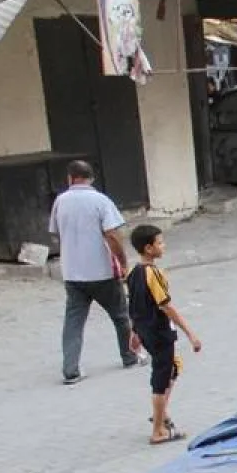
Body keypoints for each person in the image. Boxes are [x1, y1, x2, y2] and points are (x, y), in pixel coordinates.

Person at [49, 160, 143, 385]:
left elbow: (55, 233)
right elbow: (112, 235)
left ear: (71, 178)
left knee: (74, 321)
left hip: (72, 273)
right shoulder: (101, 201)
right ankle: (129, 356)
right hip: (101, 271)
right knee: (120, 315)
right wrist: (122, 261)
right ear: (91, 178)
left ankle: (71, 369)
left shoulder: (60, 201)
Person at [125, 224, 201, 445]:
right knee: (161, 376)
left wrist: (134, 332)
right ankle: (158, 429)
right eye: (160, 243)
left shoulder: (132, 272)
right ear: (148, 248)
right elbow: (166, 306)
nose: (163, 246)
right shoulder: (153, 274)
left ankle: (162, 413)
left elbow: (133, 305)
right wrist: (190, 334)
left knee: (173, 366)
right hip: (158, 331)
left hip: (145, 330)